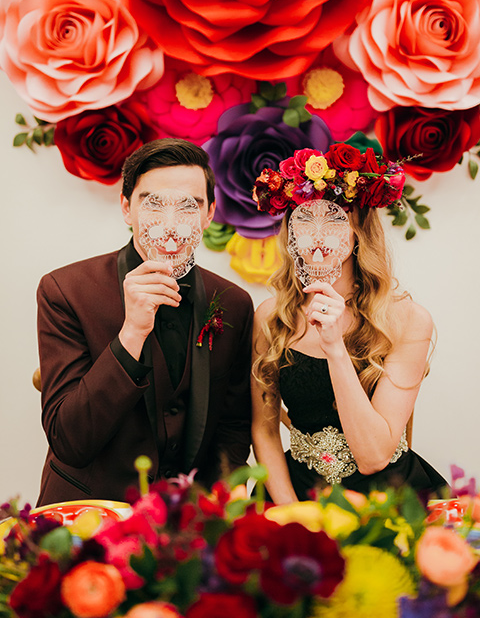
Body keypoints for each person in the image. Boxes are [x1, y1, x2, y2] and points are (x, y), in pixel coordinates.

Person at [36, 139, 253, 506]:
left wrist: (220, 510)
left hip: (189, 525)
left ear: (210, 213)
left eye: (189, 205)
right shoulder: (65, 291)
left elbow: (231, 428)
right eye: (153, 204)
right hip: (88, 513)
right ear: (126, 208)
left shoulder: (234, 303)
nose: (171, 223)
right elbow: (69, 442)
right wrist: (132, 332)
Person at [251, 144, 446, 503]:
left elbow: (374, 457)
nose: (318, 237)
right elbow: (263, 431)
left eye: (334, 221)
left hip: (384, 497)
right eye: (305, 221)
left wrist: (334, 348)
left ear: (358, 229)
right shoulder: (271, 317)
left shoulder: (407, 320)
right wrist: (293, 515)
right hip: (294, 492)